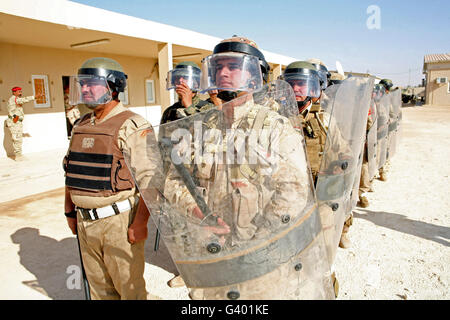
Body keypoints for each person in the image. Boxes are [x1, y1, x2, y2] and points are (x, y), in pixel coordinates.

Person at [154, 37, 333, 299]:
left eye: (233, 66)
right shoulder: (199, 128)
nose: (223, 72)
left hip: (260, 261)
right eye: (218, 67)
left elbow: (293, 194)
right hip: (211, 254)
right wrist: (198, 215)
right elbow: (173, 180)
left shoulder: (276, 129)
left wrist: (255, 244)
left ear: (254, 76)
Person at [63, 57, 159, 300]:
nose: (84, 89)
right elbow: (71, 170)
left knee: (130, 291)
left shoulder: (133, 125)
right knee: (99, 292)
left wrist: (140, 223)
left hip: (118, 222)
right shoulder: (81, 124)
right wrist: (70, 211)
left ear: (113, 86)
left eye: (91, 83)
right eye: (82, 84)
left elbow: (152, 180)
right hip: (85, 223)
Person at [5, 87, 40, 161]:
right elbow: (23, 100)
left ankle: (19, 155)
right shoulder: (14, 99)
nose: (20, 93)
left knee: (18, 138)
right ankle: (18, 156)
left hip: (16, 121)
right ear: (14, 92)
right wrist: (34, 97)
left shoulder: (15, 99)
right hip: (15, 121)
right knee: (17, 139)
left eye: (21, 91)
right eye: (19, 91)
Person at [378, 79, 393, 181]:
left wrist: (390, 121)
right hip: (378, 131)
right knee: (378, 152)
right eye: (386, 88)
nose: (387, 91)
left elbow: (392, 114)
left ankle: (383, 171)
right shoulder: (376, 99)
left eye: (388, 89)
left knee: (385, 151)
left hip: (386, 130)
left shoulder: (388, 100)